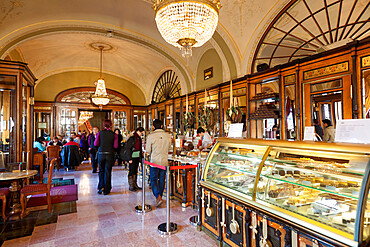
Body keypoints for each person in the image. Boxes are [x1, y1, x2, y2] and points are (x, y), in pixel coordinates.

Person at [146, 119, 171, 206]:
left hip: (154, 161)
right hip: (164, 161)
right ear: (161, 126)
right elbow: (169, 148)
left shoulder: (150, 136)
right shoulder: (168, 136)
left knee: (153, 179)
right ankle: (159, 196)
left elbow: (148, 151)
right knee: (162, 179)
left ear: (153, 126)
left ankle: (157, 196)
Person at [94, 119, 118, 195]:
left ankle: (101, 188)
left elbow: (96, 144)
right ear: (111, 125)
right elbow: (116, 146)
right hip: (110, 154)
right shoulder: (114, 134)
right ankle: (107, 190)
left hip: (101, 153)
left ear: (104, 125)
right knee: (108, 172)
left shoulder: (100, 133)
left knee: (101, 171)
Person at [123, 127, 145, 192]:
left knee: (135, 170)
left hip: (137, 157)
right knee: (131, 171)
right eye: (141, 133)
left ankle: (135, 185)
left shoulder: (138, 138)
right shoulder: (132, 138)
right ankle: (131, 186)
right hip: (132, 157)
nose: (142, 134)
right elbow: (128, 149)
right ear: (138, 131)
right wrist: (129, 158)